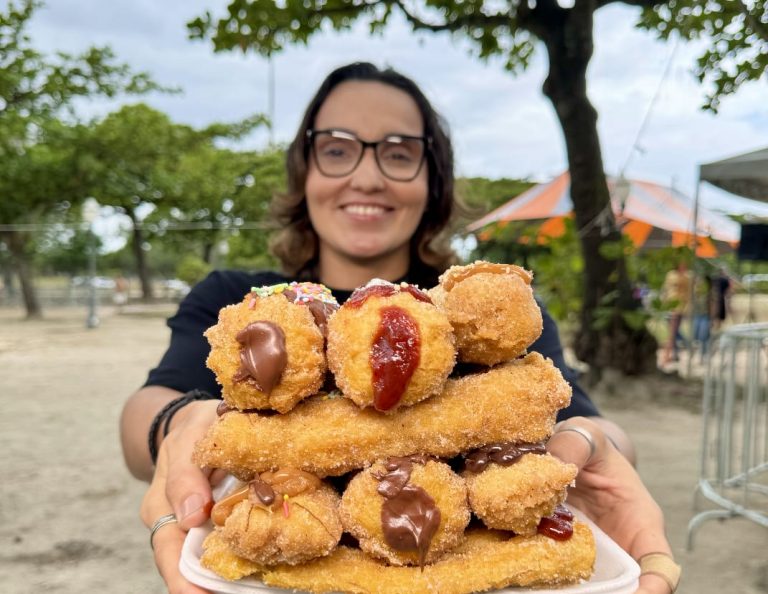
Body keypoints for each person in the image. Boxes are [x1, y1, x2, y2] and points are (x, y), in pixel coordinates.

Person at [121, 62, 679, 594]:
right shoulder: (241, 303)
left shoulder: (484, 308)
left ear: (433, 179)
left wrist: (592, 441)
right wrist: (180, 419)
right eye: (337, 150)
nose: (367, 176)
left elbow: (584, 422)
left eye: (399, 153)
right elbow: (143, 416)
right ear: (304, 171)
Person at [661, 261, 691, 365]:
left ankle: (670, 354)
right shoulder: (671, 274)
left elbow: (687, 294)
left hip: (679, 308)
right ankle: (674, 352)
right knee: (672, 332)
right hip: (671, 306)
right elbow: (666, 289)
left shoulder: (687, 277)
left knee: (673, 332)